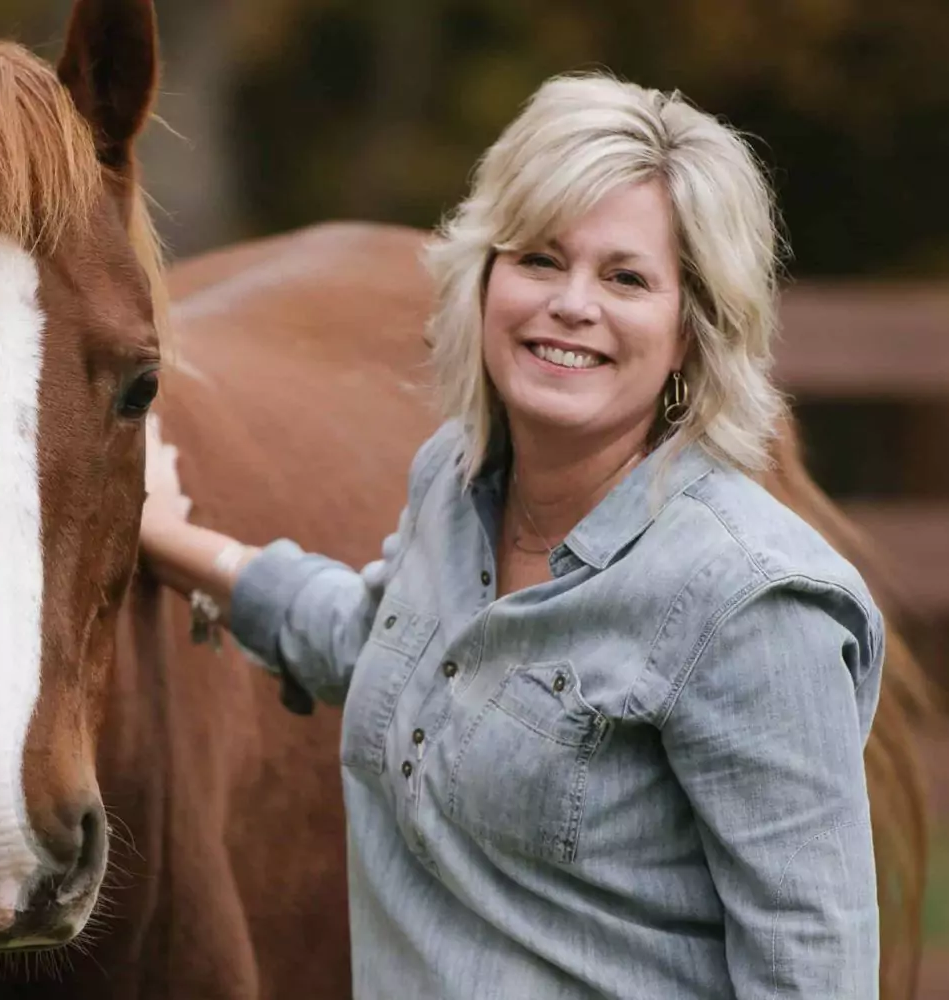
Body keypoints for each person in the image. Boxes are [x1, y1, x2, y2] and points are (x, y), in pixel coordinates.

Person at [139, 72, 882, 999]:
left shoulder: (751, 605)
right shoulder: (454, 487)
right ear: (483, 280)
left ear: (692, 329)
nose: (572, 304)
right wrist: (172, 539)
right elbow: (385, 652)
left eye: (625, 278)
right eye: (538, 259)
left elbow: (813, 974)